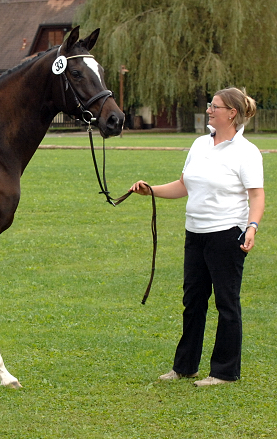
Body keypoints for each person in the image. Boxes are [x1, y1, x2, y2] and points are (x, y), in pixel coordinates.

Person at [130, 87, 264, 387]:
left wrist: (252, 226)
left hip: (227, 235)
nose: (209, 110)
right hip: (195, 234)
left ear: (232, 113)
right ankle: (185, 366)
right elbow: (183, 185)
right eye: (209, 105)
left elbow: (256, 196)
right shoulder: (199, 144)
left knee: (227, 303)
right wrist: (150, 190)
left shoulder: (246, 152)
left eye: (214, 106)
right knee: (193, 302)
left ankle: (224, 372)